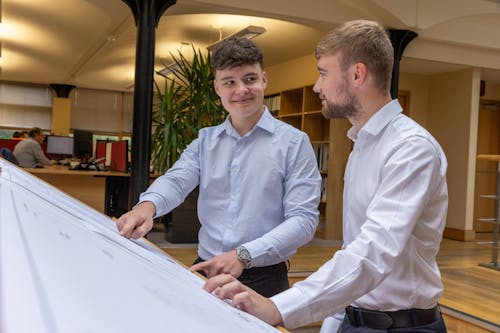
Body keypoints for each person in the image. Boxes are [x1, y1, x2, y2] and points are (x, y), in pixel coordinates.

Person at [204, 19, 449, 333]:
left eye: (323, 73)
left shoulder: (410, 149)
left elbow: (373, 252)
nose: (317, 86)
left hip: (402, 327)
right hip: (356, 319)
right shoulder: (361, 143)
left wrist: (278, 306)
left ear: (357, 74)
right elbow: (352, 250)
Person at [117, 37, 321, 297]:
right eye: (229, 82)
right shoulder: (206, 141)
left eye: (250, 79)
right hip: (206, 269)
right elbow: (177, 181)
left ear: (264, 80)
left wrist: (244, 255)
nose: (241, 90)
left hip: (264, 279)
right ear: (217, 88)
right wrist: (147, 206)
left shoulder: (294, 143)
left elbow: (303, 220)